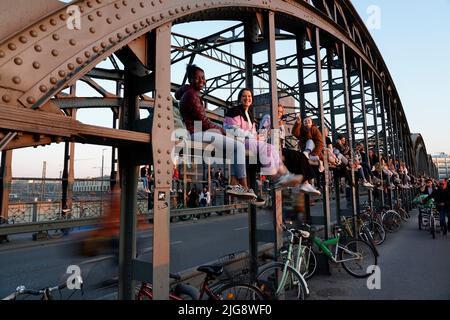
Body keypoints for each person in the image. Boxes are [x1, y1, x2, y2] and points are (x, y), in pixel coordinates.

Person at [175, 65, 256, 199]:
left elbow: (203, 122)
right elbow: (205, 123)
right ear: (190, 79)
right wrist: (224, 132)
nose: (202, 81)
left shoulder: (189, 93)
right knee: (239, 146)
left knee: (234, 146)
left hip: (196, 132)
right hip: (197, 134)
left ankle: (235, 183)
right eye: (197, 78)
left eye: (203, 78)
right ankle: (243, 185)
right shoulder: (191, 95)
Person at [224, 88, 320, 195]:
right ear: (240, 98)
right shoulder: (266, 118)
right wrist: (258, 134)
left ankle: (293, 179)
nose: (247, 98)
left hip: (264, 145)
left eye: (249, 96)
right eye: (244, 96)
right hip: (243, 142)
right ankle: (282, 179)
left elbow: (259, 134)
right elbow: (258, 133)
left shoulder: (249, 114)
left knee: (290, 154)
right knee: (285, 153)